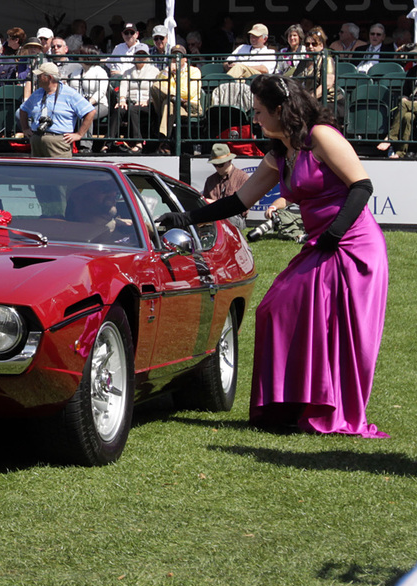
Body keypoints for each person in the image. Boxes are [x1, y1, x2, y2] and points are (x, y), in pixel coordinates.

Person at [157, 74, 388, 437]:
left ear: (281, 111)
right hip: (322, 243)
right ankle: (287, 407)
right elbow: (239, 201)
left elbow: (361, 186)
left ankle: (328, 409)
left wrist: (334, 232)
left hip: (354, 244)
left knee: (336, 329)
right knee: (274, 310)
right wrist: (186, 218)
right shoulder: (279, 154)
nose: (255, 118)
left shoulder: (321, 137)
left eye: (260, 111)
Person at [17, 62, 95, 157]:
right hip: (37, 141)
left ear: (49, 77)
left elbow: (90, 111)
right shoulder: (37, 93)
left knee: (60, 171)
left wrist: (79, 134)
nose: (37, 78)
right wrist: (25, 128)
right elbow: (23, 110)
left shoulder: (69, 93)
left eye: (40, 76)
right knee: (37, 171)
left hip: (59, 144)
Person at [201, 142, 249, 228]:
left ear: (229, 161)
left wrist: (217, 204)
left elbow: (243, 207)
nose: (217, 168)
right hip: (214, 215)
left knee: (227, 217)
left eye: (220, 164)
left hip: (234, 217)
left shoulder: (242, 177)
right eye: (215, 165)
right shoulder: (210, 180)